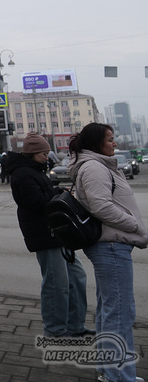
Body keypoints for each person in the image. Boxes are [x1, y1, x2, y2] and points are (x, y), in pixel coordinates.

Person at [69, 123, 148, 382]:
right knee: (120, 314)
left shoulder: (98, 164)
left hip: (110, 245)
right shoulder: (94, 167)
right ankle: (120, 377)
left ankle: (109, 372)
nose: (115, 143)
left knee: (109, 310)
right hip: (110, 246)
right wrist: (135, 225)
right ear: (96, 143)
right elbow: (101, 207)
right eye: (110, 139)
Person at [8, 133, 90, 339]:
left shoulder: (34, 171)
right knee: (56, 284)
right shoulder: (23, 174)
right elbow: (37, 202)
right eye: (44, 153)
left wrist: (57, 190)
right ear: (33, 153)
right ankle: (54, 330)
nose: (47, 156)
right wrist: (57, 195)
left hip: (58, 233)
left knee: (77, 278)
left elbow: (44, 194)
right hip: (45, 234)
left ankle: (75, 325)